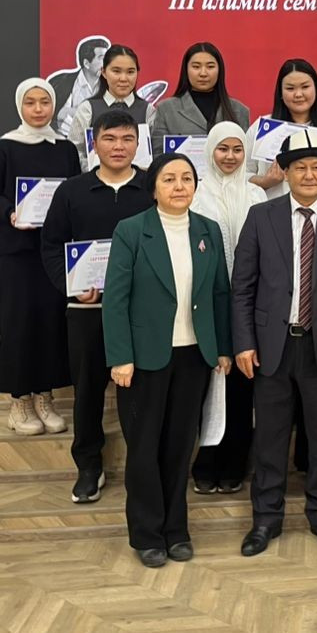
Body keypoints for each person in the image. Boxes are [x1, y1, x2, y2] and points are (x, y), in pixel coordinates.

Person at [232, 128, 317, 557]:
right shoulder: (261, 216)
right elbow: (242, 286)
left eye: (316, 167)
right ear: (286, 173)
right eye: (300, 168)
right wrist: (243, 342)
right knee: (269, 439)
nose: (309, 175)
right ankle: (265, 520)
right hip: (271, 347)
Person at [102, 153, 232, 568]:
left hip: (194, 356)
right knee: (144, 449)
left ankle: (177, 530)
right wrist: (121, 356)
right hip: (143, 360)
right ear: (154, 187)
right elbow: (115, 299)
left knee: (179, 447)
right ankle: (147, 534)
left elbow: (220, 293)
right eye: (169, 179)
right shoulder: (132, 230)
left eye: (187, 179)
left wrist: (223, 347)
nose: (179, 186)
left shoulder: (208, 230)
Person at [42, 111, 153, 503]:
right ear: (94, 143)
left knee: (140, 393)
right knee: (87, 393)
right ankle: (89, 466)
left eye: (127, 139)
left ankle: (143, 468)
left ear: (138, 143)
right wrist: (71, 287)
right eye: (110, 138)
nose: (118, 147)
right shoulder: (71, 191)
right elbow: (51, 246)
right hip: (87, 312)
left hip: (142, 314)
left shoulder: (151, 186)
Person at [189, 122, 266, 494]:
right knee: (207, 386)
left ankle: (235, 461)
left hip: (250, 303)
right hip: (205, 305)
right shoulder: (195, 194)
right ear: (210, 151)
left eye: (237, 149)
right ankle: (205, 462)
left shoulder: (256, 194)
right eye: (223, 149)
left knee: (240, 385)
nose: (230, 156)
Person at [0, 79, 80, 435]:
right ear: (20, 106)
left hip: (54, 250)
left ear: (53, 105)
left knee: (51, 323)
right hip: (16, 253)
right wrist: (10, 213)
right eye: (30, 102)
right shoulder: (5, 146)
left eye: (44, 102)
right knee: (19, 324)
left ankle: (45, 397)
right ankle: (19, 401)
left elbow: (74, 192)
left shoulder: (65, 149)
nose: (37, 109)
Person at [245, 59, 317, 200]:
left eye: (305, 87)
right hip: (270, 209)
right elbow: (241, 175)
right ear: (280, 93)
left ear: (316, 89)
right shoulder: (262, 128)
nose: (298, 94)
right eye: (290, 88)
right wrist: (265, 182)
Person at [67, 44, 156, 171]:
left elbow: (157, 151)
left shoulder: (148, 110)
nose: (123, 78)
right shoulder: (88, 109)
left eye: (130, 72)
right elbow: (74, 150)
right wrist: (93, 170)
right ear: (103, 72)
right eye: (116, 71)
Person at [151, 42, 249, 154]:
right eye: (196, 67)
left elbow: (244, 155)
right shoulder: (166, 109)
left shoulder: (239, 111)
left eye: (210, 67)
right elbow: (158, 155)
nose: (203, 73)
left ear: (220, 70)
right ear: (186, 70)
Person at [50, 36, 110, 135]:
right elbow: (50, 118)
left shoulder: (113, 87)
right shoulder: (60, 82)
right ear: (86, 63)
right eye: (102, 58)